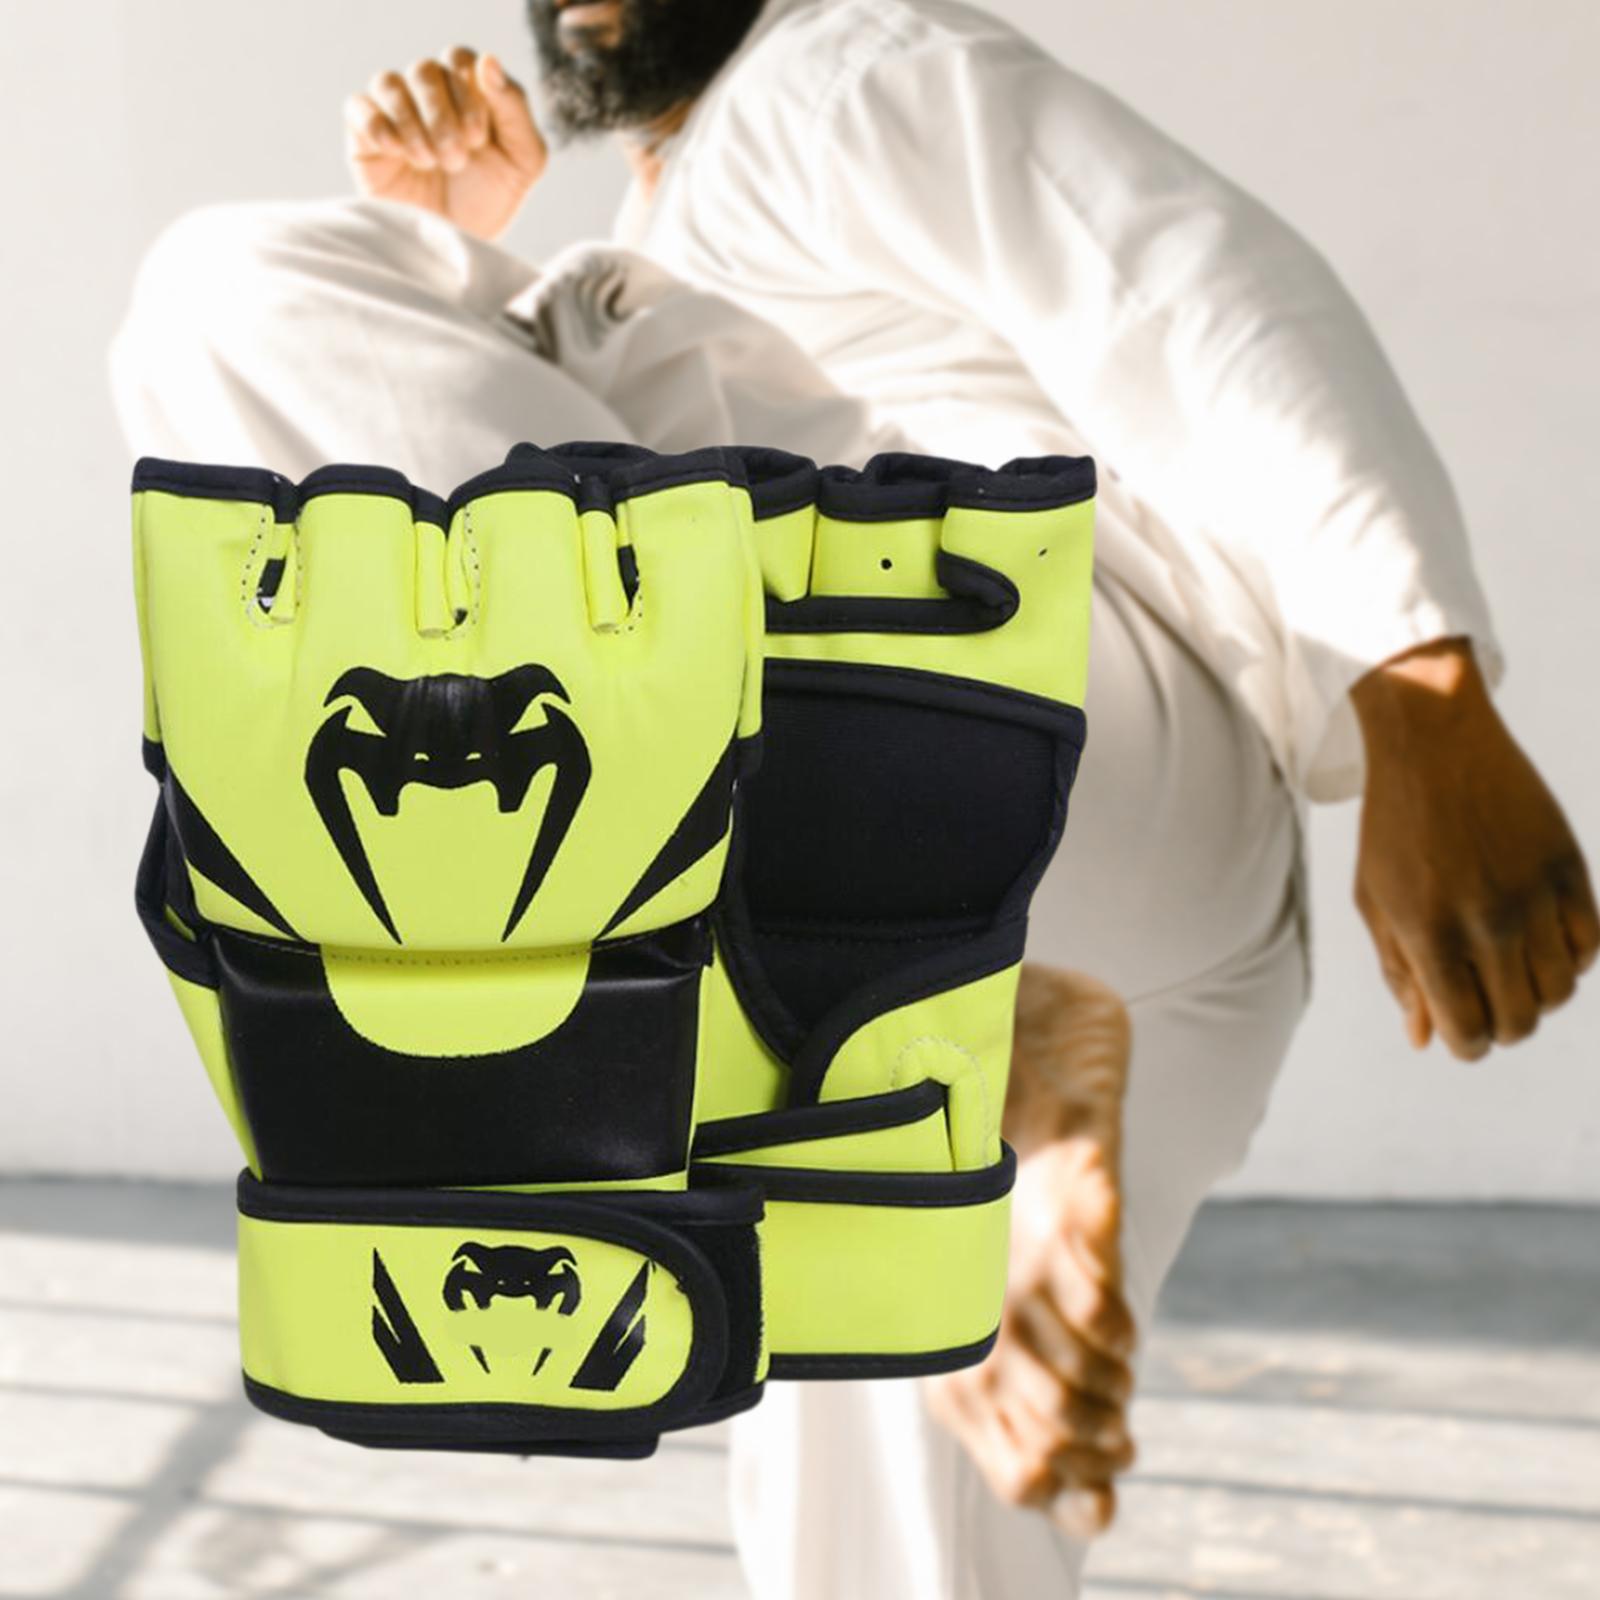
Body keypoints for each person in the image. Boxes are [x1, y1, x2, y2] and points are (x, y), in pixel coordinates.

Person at [108, 4, 1597, 1592]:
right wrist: (447, 252)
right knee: (895, 1522)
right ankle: (959, 1051)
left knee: (223, 296)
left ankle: (967, 1013)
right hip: (1036, 929)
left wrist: (1420, 684)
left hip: (1012, 755)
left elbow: (1183, 286)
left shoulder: (837, 72)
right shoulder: (678, 230)